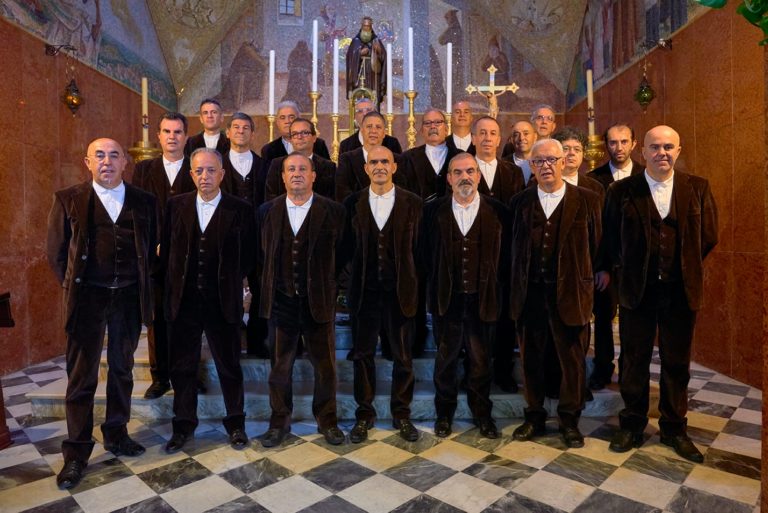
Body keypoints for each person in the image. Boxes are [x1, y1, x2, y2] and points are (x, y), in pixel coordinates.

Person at [47, 138, 157, 489]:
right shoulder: (68, 199)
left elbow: (151, 251)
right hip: (87, 299)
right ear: (88, 162)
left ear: (125, 162)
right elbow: (56, 253)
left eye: (114, 155)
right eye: (99, 155)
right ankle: (76, 453)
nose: (106, 161)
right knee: (82, 376)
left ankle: (117, 433)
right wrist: (76, 287)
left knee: (122, 370)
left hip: (128, 297)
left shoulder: (145, 201)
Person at [605, 125, 718, 463]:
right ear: (642, 152)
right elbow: (610, 237)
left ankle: (674, 428)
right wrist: (629, 267)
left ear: (678, 151)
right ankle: (632, 424)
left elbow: (709, 236)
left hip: (681, 290)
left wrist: (682, 265)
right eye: (654, 147)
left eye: (669, 147)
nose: (662, 153)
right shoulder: (621, 190)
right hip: (636, 291)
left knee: (676, 362)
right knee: (633, 359)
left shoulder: (697, 188)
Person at [508, 138, 602, 448]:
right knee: (531, 359)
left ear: (563, 162)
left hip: (571, 293)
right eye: (539, 161)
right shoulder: (519, 202)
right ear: (531, 166)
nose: (546, 166)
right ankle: (534, 416)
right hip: (530, 295)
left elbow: (597, 245)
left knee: (572, 361)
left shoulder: (588, 200)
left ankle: (569, 420)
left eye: (551, 160)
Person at [161, 148, 254, 453]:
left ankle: (236, 424)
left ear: (222, 174)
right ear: (191, 175)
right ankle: (183, 426)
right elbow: (167, 254)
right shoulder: (175, 206)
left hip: (222, 301)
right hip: (184, 301)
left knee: (229, 366)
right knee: (182, 367)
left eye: (211, 170)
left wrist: (237, 285)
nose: (205, 176)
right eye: (199, 171)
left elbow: (250, 255)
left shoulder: (240, 209)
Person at [256, 153, 346, 448]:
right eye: (291, 169)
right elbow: (259, 256)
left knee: (325, 366)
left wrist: (331, 285)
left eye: (303, 169)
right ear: (283, 177)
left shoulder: (333, 211)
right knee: (280, 368)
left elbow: (345, 253)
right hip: (281, 302)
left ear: (313, 176)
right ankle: (279, 421)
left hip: (319, 301)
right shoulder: (266, 211)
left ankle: (327, 420)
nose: (297, 173)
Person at [422, 152, 507, 439]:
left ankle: (482, 415)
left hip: (484, 299)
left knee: (481, 362)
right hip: (447, 299)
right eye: (457, 172)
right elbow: (423, 255)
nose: (464, 177)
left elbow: (507, 258)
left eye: (470, 171)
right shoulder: (432, 212)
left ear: (479, 176)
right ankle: (444, 414)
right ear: (449, 179)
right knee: (445, 361)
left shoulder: (498, 211)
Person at [341, 146, 422, 443]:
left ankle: (402, 414)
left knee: (403, 356)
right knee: (363, 355)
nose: (379, 166)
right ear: (366, 168)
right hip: (365, 294)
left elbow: (421, 250)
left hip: (400, 293)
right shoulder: (352, 203)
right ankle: (364, 415)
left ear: (394, 167)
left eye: (384, 161)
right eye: (373, 162)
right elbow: (344, 248)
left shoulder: (413, 203)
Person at [132, 113, 195, 399]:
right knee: (157, 320)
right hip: (154, 259)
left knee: (188, 319)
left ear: (186, 137)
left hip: (189, 257)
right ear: (158, 135)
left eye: (178, 132)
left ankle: (188, 374)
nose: (172, 137)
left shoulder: (197, 166)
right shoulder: (144, 169)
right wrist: (155, 244)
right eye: (167, 131)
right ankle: (160, 378)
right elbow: (138, 212)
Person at [586, 123, 644, 390]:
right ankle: (602, 367)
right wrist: (601, 266)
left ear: (633, 144)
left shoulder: (646, 175)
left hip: (637, 265)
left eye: (623, 142)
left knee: (635, 320)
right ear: (606, 145)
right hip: (607, 264)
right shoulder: (594, 179)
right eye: (612, 142)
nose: (618, 147)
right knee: (603, 317)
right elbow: (596, 228)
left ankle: (630, 370)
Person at [472, 115, 525, 393]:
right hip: (472, 256)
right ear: (473, 138)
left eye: (492, 133)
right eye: (482, 133)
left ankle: (503, 372)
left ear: (499, 139)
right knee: (474, 320)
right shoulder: (462, 168)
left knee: (505, 318)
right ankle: (474, 373)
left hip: (504, 257)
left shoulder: (513, 172)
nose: (487, 138)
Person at [219, 112, 268, 357]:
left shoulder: (264, 165)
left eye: (245, 127)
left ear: (252, 133)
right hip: (226, 238)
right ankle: (230, 343)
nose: (240, 131)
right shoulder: (217, 165)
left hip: (257, 238)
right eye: (236, 127)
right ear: (228, 133)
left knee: (260, 289)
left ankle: (258, 342)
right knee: (228, 289)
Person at [336, 111, 405, 202]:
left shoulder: (398, 160)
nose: (373, 131)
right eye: (369, 126)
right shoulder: (347, 159)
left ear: (384, 133)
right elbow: (342, 193)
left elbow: (403, 193)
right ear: (361, 130)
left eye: (378, 127)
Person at [266, 117, 336, 201]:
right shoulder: (277, 164)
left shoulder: (329, 167)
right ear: (291, 140)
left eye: (305, 133)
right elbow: (271, 198)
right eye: (295, 134)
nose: (299, 137)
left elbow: (332, 199)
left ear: (314, 138)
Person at [401, 108, 461, 201]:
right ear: (422, 131)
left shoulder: (460, 156)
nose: (432, 126)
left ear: (446, 129)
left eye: (437, 122)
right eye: (427, 123)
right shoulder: (408, 158)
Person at [260, 101, 330, 164]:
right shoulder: (268, 150)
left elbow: (328, 170)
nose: (287, 121)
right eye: (282, 118)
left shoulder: (318, 144)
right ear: (277, 122)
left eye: (291, 117)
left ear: (299, 119)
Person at [346, 17, 387, 110]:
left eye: (368, 26)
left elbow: (383, 57)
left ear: (371, 27)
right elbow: (350, 56)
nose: (366, 28)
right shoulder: (356, 41)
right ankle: (359, 115)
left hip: (373, 74)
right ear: (361, 26)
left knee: (374, 96)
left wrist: (379, 51)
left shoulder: (376, 40)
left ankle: (374, 114)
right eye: (364, 26)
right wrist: (359, 53)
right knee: (360, 95)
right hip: (359, 73)